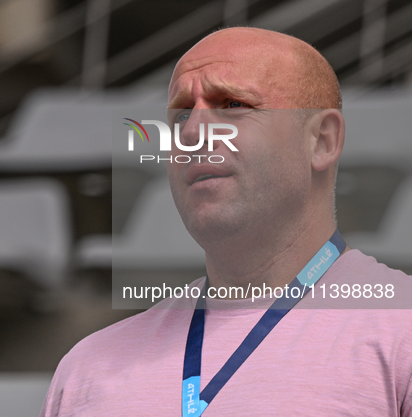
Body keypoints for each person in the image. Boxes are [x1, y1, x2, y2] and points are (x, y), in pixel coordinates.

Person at [40, 27, 412, 416]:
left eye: (233, 104)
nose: (193, 132)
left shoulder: (401, 330)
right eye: (182, 114)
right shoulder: (88, 370)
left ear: (321, 139)